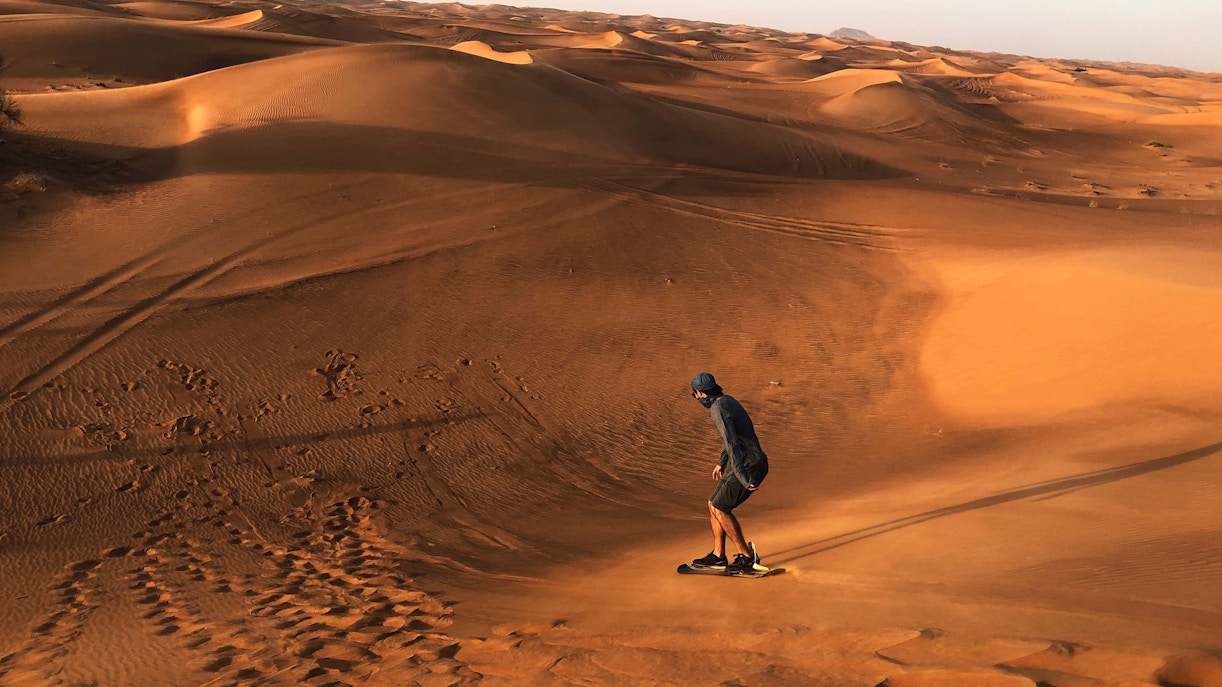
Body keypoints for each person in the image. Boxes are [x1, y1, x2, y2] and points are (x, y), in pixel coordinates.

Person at [688, 372, 769, 574]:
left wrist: (743, 477)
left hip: (748, 465)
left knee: (721, 507)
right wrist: (721, 462)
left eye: (694, 395)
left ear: (699, 393)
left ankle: (747, 559)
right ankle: (718, 556)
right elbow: (732, 439)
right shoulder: (728, 401)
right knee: (712, 504)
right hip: (744, 462)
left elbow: (732, 445)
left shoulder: (718, 410)